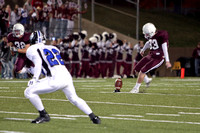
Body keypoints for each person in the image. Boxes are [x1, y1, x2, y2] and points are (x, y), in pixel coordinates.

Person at [24, 30, 101, 124]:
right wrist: (32, 70)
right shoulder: (53, 48)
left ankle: (43, 115)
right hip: (66, 77)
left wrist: (35, 78)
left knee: (29, 91)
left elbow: (38, 63)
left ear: (32, 40)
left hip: (55, 79)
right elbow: (49, 66)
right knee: (74, 98)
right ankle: (94, 117)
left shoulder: (32, 49)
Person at [130, 23, 171, 93]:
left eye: (147, 34)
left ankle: (136, 88)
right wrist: (143, 50)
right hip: (151, 55)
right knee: (137, 69)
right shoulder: (153, 36)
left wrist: (167, 61)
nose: (146, 35)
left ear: (151, 32)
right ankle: (147, 80)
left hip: (158, 58)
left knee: (142, 71)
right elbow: (148, 43)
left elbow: (165, 50)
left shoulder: (161, 36)